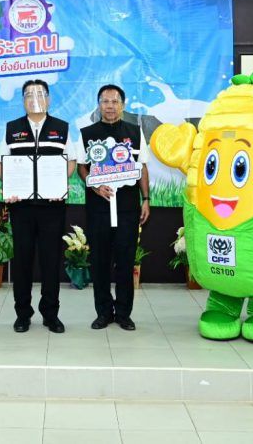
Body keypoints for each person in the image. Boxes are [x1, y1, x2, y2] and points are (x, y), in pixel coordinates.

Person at [0, 80, 77, 333]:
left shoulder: (61, 128)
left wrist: (60, 183)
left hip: (52, 207)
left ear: (49, 99)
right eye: (29, 95)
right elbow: (0, 163)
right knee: (22, 262)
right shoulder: (12, 128)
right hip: (21, 207)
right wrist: (9, 184)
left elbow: (71, 161)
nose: (34, 98)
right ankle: (23, 314)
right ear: (23, 100)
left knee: (51, 262)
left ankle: (51, 314)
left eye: (40, 94)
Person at [77, 84, 150, 331]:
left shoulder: (135, 132)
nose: (110, 106)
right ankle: (103, 313)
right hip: (98, 208)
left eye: (115, 101)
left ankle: (124, 314)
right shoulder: (87, 134)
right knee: (99, 262)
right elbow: (81, 166)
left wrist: (146, 199)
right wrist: (94, 185)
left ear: (123, 105)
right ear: (99, 105)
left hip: (128, 209)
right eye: (105, 101)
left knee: (125, 262)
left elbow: (143, 167)